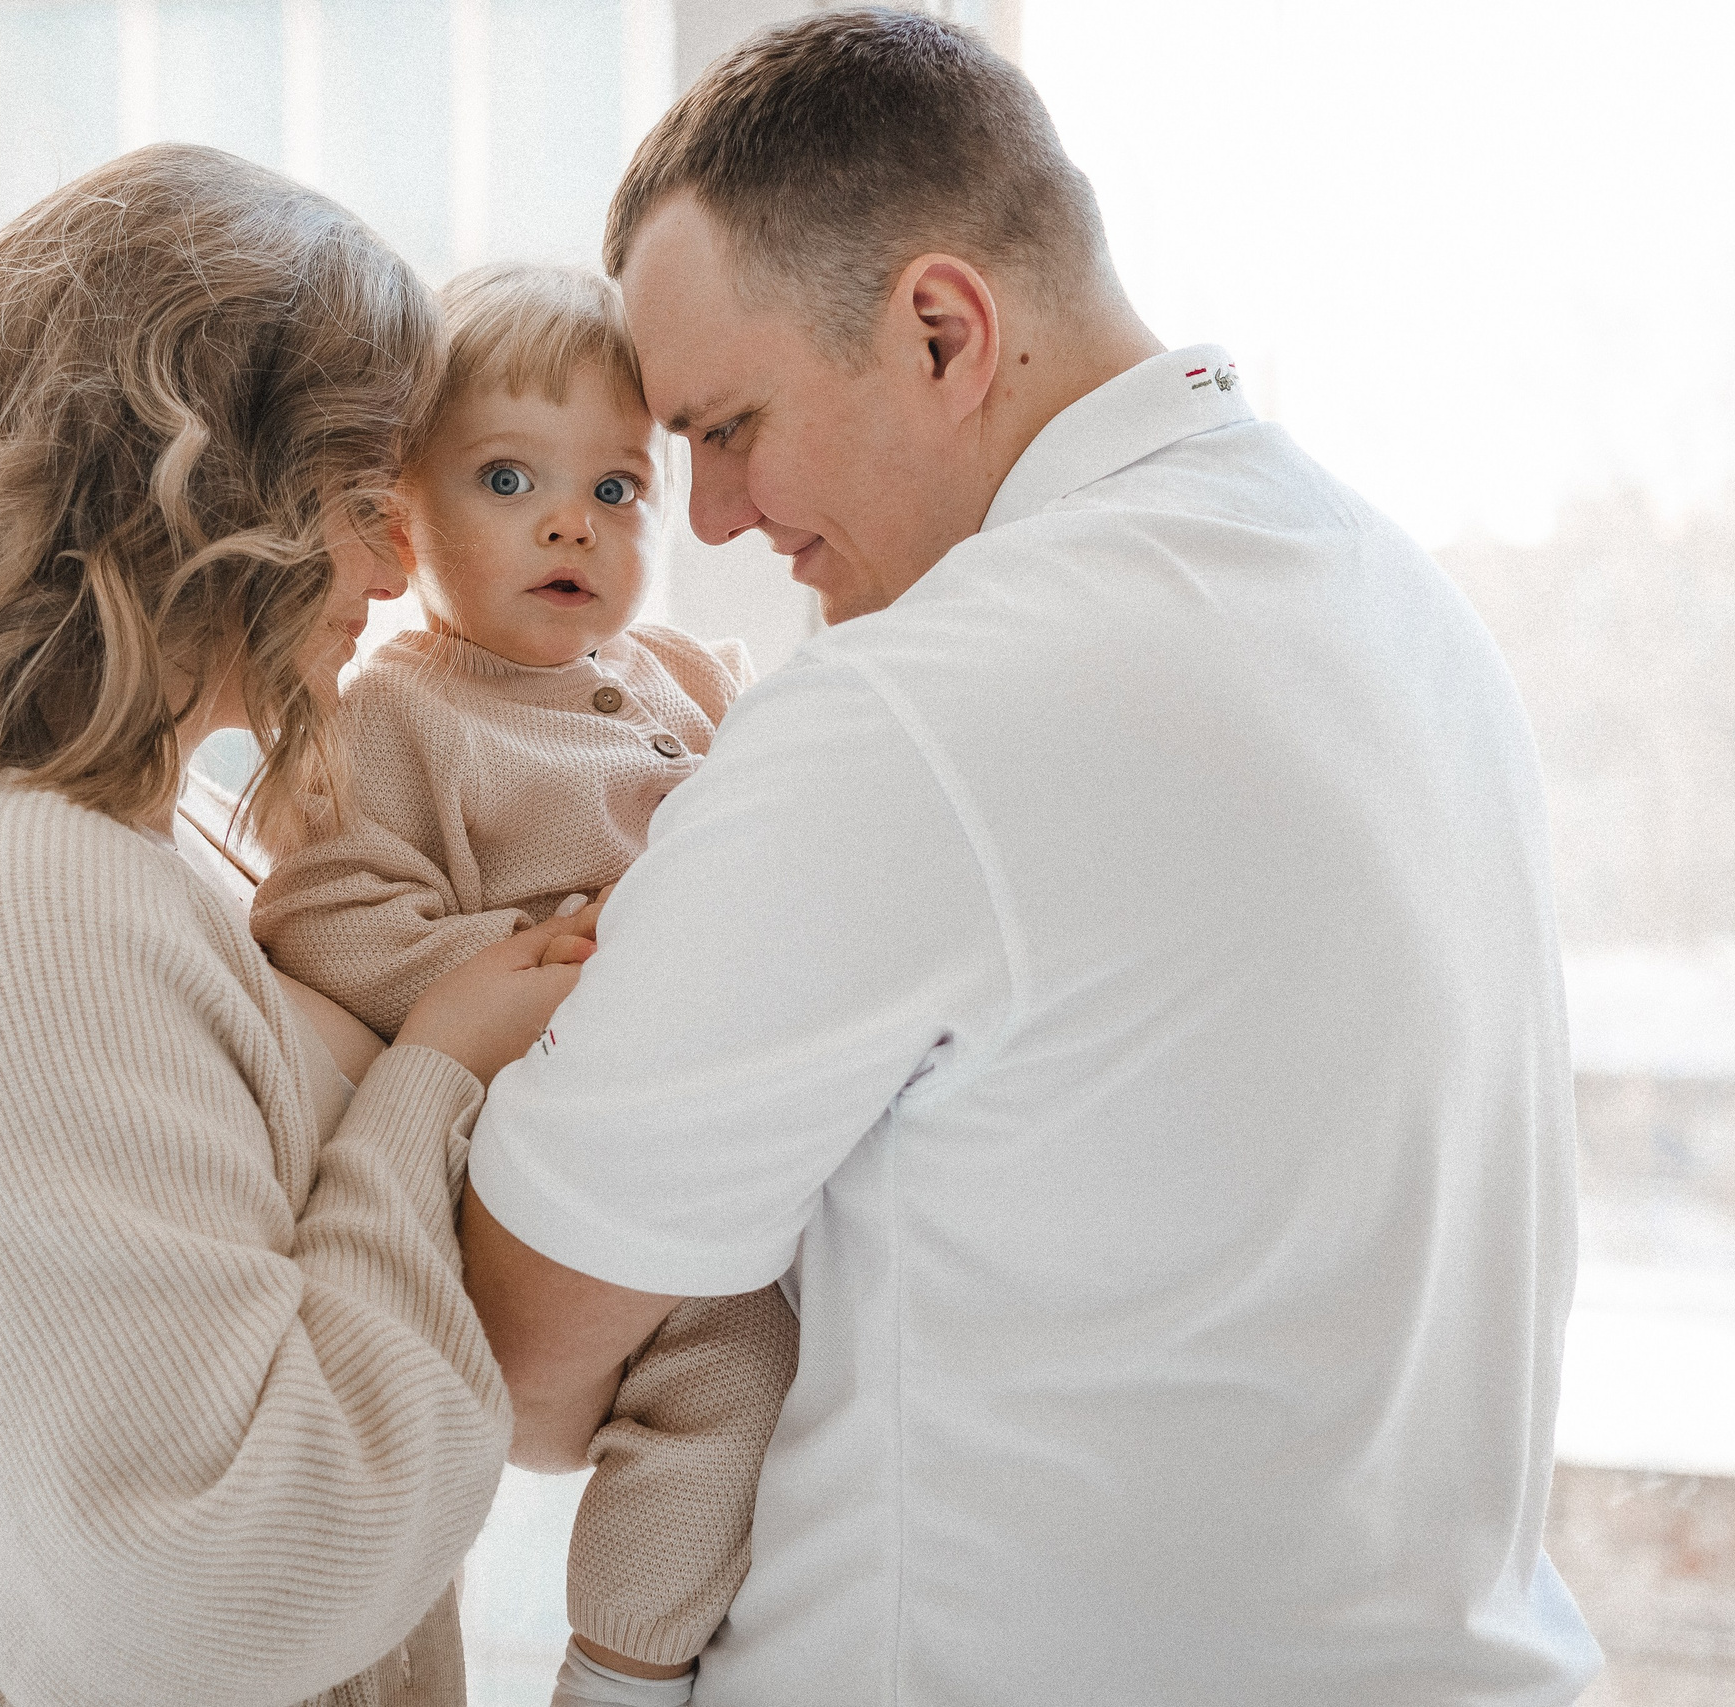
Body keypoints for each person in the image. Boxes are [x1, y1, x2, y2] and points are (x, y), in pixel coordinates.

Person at [458, 11, 1604, 1705]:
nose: (706, 517)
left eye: (731, 425)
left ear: (941, 327)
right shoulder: (1397, 607)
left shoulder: (911, 717)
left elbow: (525, 1365)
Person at [0, 143, 597, 1707]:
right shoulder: (18, 899)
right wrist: (428, 1080)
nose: (400, 559)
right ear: (213, 498)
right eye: (360, 492)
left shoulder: (140, 850)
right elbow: (214, 1581)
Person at [252, 263, 798, 1703]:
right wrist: (522, 975)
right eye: (509, 478)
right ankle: (621, 1667)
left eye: (617, 491)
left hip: (703, 1110)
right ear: (399, 516)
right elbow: (321, 911)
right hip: (532, 1149)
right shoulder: (400, 714)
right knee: (727, 1370)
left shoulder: (675, 669)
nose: (572, 522)